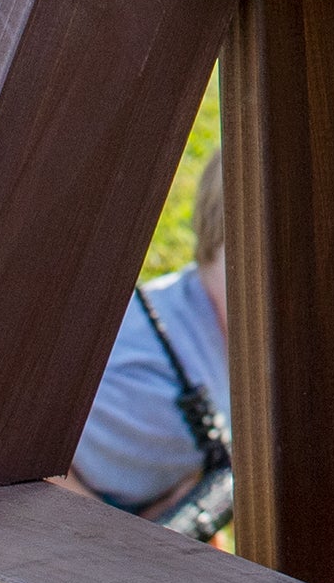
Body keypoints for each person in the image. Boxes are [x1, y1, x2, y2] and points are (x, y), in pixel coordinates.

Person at [68, 145, 230, 531]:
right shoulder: (147, 343)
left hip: (136, 510)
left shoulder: (226, 352)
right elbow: (19, 452)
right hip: (62, 510)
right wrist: (108, 535)